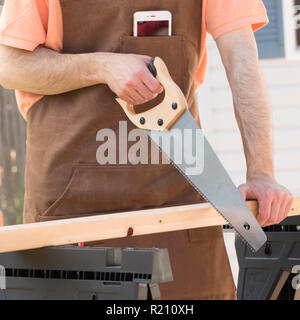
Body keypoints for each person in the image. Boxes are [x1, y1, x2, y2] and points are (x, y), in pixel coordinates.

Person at [0, 0, 293, 300]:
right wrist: (101, 67)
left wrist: (261, 172)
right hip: (71, 213)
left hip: (178, 205)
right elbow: (9, 64)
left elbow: (241, 58)